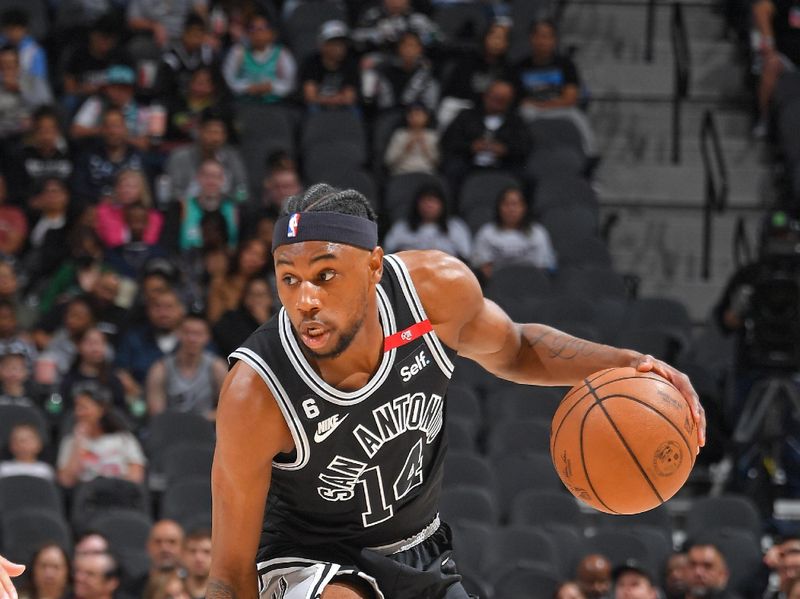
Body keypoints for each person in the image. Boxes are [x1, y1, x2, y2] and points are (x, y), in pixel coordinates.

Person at [208, 184, 704, 599]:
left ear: (375, 268)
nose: (305, 300)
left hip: (418, 547)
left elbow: (515, 348)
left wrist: (629, 364)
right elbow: (229, 576)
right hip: (307, 560)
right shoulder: (256, 391)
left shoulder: (433, 293)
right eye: (288, 279)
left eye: (325, 275)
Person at [514, 19, 597, 158]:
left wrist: (544, 105)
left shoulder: (565, 65)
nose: (542, 41)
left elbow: (570, 98)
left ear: (554, 40)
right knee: (521, 116)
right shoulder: (520, 66)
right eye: (538, 36)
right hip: (531, 111)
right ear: (531, 38)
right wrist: (535, 106)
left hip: (561, 108)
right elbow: (520, 100)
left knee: (579, 120)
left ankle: (590, 157)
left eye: (547, 36)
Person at [441, 79, 531, 195]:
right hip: (469, 162)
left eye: (503, 100)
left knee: (527, 177)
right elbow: (448, 141)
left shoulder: (516, 121)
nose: (497, 102)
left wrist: (505, 149)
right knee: (452, 170)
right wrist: (471, 147)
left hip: (504, 164)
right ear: (486, 96)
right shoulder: (466, 116)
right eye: (495, 97)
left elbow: (525, 146)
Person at [56, 381, 146, 488]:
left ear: (101, 410)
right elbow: (66, 481)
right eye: (77, 407)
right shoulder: (70, 442)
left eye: (84, 407)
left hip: (119, 497)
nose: (78, 412)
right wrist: (78, 443)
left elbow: (136, 476)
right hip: (88, 500)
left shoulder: (124, 439)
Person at [146, 312, 227, 419]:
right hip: (170, 430)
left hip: (206, 429)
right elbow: (156, 414)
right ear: (178, 334)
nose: (192, 339)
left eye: (198, 334)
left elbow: (228, 410)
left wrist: (197, 420)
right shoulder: (160, 369)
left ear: (207, 337)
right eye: (187, 333)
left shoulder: (217, 367)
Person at [471, 186, 557, 279]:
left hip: (531, 285)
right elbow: (483, 268)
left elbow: (543, 268)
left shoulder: (537, 233)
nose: (511, 209)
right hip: (497, 287)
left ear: (524, 207)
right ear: (499, 207)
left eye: (515, 204)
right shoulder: (486, 233)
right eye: (506, 204)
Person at [222, 11, 297, 105]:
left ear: (271, 34)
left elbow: (290, 83)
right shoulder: (238, 51)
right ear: (247, 34)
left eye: (261, 29)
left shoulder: (282, 54)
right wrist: (247, 87)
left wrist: (272, 87)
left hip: (275, 105)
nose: (257, 34)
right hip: (244, 104)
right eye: (252, 30)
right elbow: (228, 79)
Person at [751, 0, 800, 137]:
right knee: (771, 64)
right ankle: (763, 118)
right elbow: (760, 9)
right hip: (783, 56)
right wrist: (768, 40)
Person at [383, 184, 471, 259]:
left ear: (443, 205)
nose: (429, 206)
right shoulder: (402, 227)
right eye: (425, 202)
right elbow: (389, 255)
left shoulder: (455, 227)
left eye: (434, 202)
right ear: (417, 204)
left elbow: (465, 258)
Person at [300, 21, 359, 113]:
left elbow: (350, 97)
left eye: (342, 44)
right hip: (318, 108)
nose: (340, 48)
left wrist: (327, 99)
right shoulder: (311, 63)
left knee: (354, 111)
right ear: (323, 45)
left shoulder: (350, 64)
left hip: (342, 108)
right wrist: (332, 100)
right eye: (334, 44)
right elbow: (310, 96)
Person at [206, 237, 268, 324]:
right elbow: (214, 318)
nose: (253, 259)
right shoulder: (220, 283)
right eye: (250, 253)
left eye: (260, 256)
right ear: (240, 252)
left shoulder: (264, 287)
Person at [96, 169, 163, 249]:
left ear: (142, 190)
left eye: (132, 187)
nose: (126, 190)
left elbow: (148, 242)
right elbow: (113, 241)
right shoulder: (104, 212)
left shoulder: (153, 217)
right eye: (122, 186)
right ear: (116, 189)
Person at [212, 276, 273, 358]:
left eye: (261, 295)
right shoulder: (232, 318)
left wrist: (264, 322)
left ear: (270, 299)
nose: (257, 300)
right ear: (245, 298)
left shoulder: (279, 321)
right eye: (252, 295)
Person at [384, 103, 440, 176]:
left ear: (426, 117)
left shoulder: (432, 136)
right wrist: (406, 149)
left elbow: (437, 163)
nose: (415, 118)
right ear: (408, 118)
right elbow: (389, 162)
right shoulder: (400, 135)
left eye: (419, 115)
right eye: (412, 115)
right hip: (403, 172)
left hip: (426, 173)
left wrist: (426, 149)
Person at [182, 529, 212, 599]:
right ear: (182, 555)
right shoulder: (169, 589)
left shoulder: (225, 593)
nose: (199, 558)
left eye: (206, 552)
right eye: (192, 551)